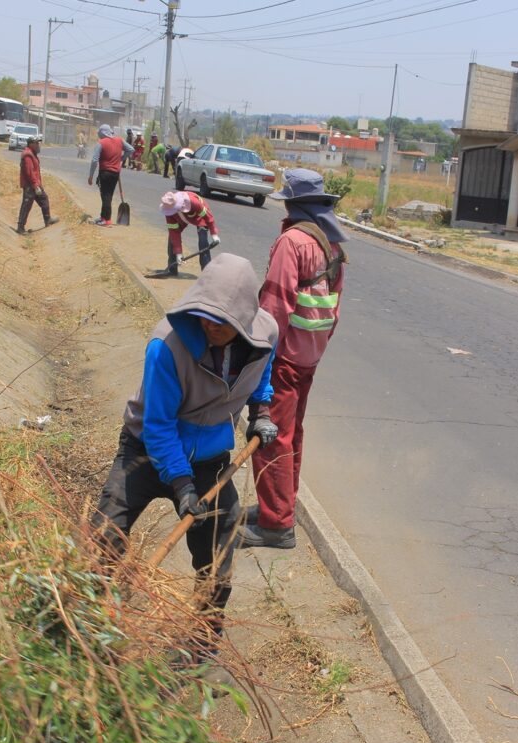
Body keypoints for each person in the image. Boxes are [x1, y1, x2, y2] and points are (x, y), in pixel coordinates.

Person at [92, 253, 279, 677]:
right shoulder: (167, 346)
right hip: (146, 448)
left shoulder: (265, 334)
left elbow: (262, 376)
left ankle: (203, 637)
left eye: (223, 321)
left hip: (210, 458)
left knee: (219, 550)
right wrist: (181, 487)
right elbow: (158, 426)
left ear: (246, 317)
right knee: (104, 533)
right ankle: (88, 628)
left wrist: (261, 412)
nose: (211, 327)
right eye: (206, 317)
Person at [237, 169, 348, 549]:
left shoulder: (292, 241)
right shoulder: (331, 244)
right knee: (291, 434)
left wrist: (258, 355)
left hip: (282, 357)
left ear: (291, 203)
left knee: (270, 436)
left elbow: (274, 305)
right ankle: (279, 506)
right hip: (309, 358)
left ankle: (277, 525)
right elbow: (335, 309)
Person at [157, 190, 220, 278]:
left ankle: (206, 274)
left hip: (199, 216)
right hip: (181, 217)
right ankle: (172, 269)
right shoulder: (169, 211)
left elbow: (208, 217)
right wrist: (178, 253)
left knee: (203, 241)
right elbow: (174, 232)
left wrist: (214, 234)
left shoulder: (193, 202)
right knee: (172, 239)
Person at [87, 124, 134, 226]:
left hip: (105, 173)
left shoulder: (101, 143)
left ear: (102, 133)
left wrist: (90, 176)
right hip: (115, 174)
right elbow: (131, 149)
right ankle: (103, 216)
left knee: (105, 195)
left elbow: (95, 160)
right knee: (109, 195)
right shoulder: (119, 140)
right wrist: (121, 159)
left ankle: (107, 220)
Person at [16, 137, 59, 235]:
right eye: (36, 143)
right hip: (30, 186)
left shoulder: (32, 154)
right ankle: (20, 227)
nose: (38, 146)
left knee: (44, 199)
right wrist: (35, 186)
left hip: (35, 185)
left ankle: (47, 219)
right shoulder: (27, 155)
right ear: (31, 144)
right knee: (26, 206)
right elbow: (29, 172)